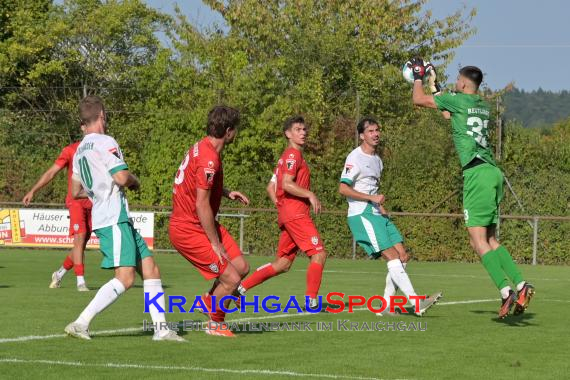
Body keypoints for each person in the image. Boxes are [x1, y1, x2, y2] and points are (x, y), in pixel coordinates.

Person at [410, 58, 535, 318]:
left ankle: (505, 291)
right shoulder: (481, 104)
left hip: (476, 174)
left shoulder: (458, 99)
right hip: (492, 172)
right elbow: (447, 113)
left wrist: (418, 77)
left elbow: (418, 100)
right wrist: (438, 87)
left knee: (477, 241)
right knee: (490, 239)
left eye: (458, 80)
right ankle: (521, 285)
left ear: (465, 83)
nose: (456, 84)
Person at [64, 95, 183, 341]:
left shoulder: (78, 151)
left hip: (112, 217)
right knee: (126, 278)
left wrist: (97, 188)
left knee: (150, 268)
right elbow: (121, 177)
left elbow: (75, 191)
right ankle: (80, 322)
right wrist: (134, 181)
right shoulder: (106, 141)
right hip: (113, 217)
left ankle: (161, 330)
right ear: (102, 117)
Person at [338, 117, 442, 316]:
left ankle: (386, 306)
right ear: (361, 135)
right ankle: (416, 302)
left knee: (402, 256)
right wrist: (371, 198)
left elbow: (373, 188)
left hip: (377, 212)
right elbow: (343, 188)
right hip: (362, 213)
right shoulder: (354, 158)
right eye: (370, 131)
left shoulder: (377, 160)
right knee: (392, 257)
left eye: (377, 130)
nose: (375, 134)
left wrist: (380, 206)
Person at [169, 105, 250, 338]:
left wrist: (225, 192)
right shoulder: (209, 158)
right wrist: (215, 244)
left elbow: (200, 185)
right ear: (228, 131)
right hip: (188, 228)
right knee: (232, 279)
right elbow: (201, 204)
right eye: (236, 130)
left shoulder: (202, 148)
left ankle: (208, 301)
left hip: (198, 223)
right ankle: (215, 323)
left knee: (241, 267)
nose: (236, 134)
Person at [237, 116, 327, 311]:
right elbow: (286, 183)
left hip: (289, 214)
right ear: (288, 134)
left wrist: (282, 206)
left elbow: (271, 187)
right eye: (297, 129)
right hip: (296, 214)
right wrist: (310, 194)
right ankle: (311, 301)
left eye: (304, 129)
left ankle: (239, 290)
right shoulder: (293, 155)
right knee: (318, 254)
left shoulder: (285, 157)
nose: (303, 132)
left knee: (283, 264)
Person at [23, 135, 92, 291]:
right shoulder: (70, 150)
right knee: (80, 238)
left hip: (92, 202)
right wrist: (33, 190)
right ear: (83, 127)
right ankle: (80, 281)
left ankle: (59, 274)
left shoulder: (99, 148)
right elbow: (51, 172)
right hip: (75, 201)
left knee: (80, 246)